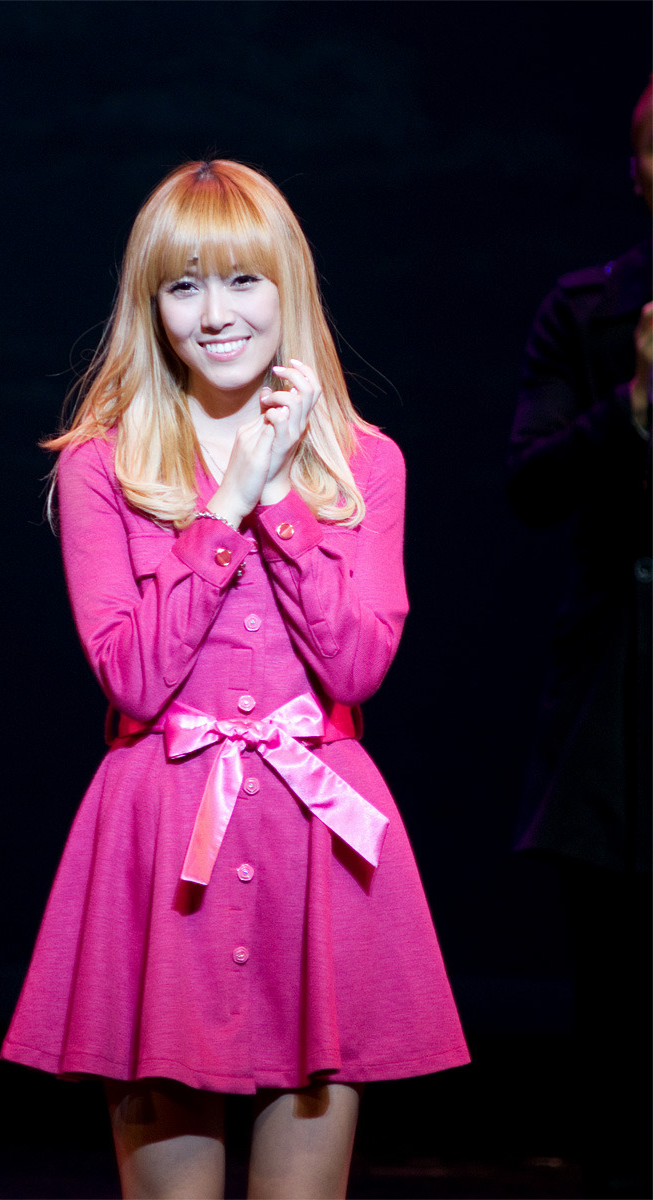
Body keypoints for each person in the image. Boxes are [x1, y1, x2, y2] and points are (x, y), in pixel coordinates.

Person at [1, 159, 469, 1199]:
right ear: (152, 305)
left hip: (317, 847)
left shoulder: (366, 462)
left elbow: (357, 666)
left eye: (242, 279)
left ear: (287, 285)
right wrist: (226, 505)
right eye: (184, 285)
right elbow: (133, 678)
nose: (215, 314)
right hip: (161, 840)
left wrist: (282, 499)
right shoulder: (101, 465)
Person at [507, 81, 651, 1200]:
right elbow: (530, 484)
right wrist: (633, 409)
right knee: (618, 968)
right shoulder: (588, 307)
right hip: (621, 679)